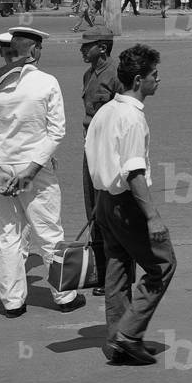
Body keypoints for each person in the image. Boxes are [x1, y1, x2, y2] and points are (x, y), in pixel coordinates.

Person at [0, 27, 83, 317]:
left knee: (8, 236)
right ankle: (64, 296)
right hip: (36, 169)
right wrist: (33, 169)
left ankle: (12, 302)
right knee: (49, 233)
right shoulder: (46, 82)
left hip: (3, 170)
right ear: (33, 51)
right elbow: (57, 132)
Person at [87, 44, 176, 366]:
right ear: (139, 80)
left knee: (118, 268)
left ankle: (117, 340)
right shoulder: (132, 117)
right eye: (154, 75)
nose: (158, 80)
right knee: (162, 265)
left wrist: (99, 202)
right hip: (126, 203)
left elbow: (93, 159)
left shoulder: (106, 111)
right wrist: (152, 217)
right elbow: (134, 171)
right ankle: (129, 333)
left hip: (105, 200)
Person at [80, 27, 121, 298]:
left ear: (102, 48)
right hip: (90, 148)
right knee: (92, 209)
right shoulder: (88, 74)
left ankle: (116, 276)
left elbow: (123, 115)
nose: (82, 50)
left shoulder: (116, 75)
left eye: (88, 46)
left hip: (108, 151)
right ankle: (101, 272)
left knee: (110, 211)